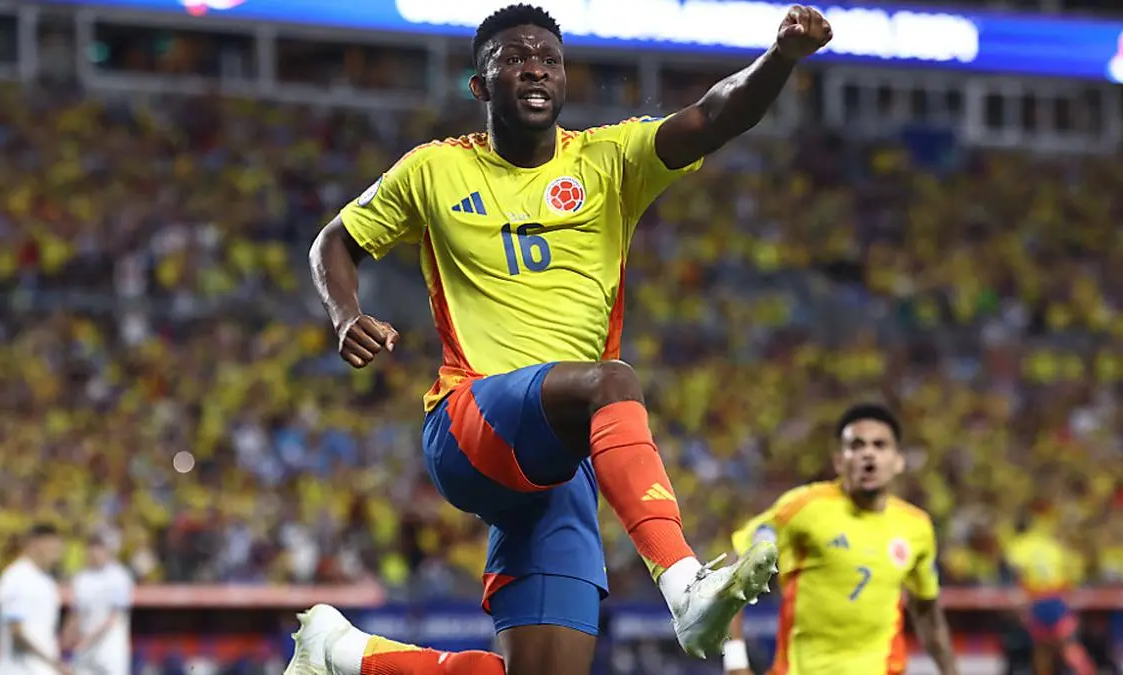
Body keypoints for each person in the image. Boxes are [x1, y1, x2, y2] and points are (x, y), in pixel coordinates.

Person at [291, 4, 832, 675]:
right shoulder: (433, 170)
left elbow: (715, 116)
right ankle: (685, 583)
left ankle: (343, 651)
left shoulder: (610, 160)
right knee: (612, 380)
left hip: (559, 469)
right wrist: (346, 316)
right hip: (469, 423)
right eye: (516, 58)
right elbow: (334, 241)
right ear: (480, 85)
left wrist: (780, 58)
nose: (536, 69)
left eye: (550, 58)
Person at [725, 404, 959, 675]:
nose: (868, 453)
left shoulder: (916, 527)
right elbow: (735, 568)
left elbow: (927, 611)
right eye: (856, 445)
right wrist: (735, 663)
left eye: (880, 445)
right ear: (839, 461)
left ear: (898, 461)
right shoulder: (803, 508)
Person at [1003, 515, 1095, 675]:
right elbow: (1069, 574)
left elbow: (1017, 573)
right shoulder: (1053, 545)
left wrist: (1022, 603)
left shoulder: (1020, 545)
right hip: (1057, 598)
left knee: (1042, 648)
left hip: (1037, 599)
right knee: (1067, 644)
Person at [0, 523, 69, 675]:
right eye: (53, 547)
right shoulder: (17, 577)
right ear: (37, 544)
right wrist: (53, 662)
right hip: (19, 669)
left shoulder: (46, 581)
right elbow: (17, 632)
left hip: (43, 669)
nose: (57, 553)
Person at [66, 534, 135, 675]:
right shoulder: (81, 578)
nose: (94, 554)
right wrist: (68, 637)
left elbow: (114, 616)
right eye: (90, 550)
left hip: (109, 648)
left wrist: (89, 639)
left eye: (98, 549)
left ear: (107, 551)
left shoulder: (119, 576)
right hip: (84, 649)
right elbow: (76, 612)